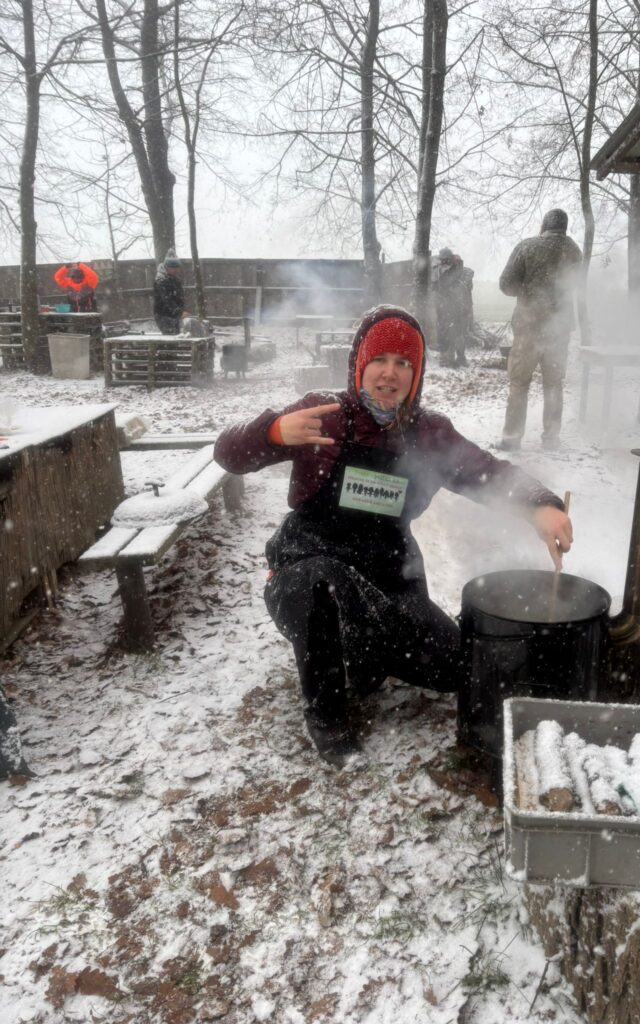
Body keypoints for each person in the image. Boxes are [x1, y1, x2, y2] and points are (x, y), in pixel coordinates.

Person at [214, 305, 573, 769]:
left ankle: (364, 653)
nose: (390, 373)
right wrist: (273, 432)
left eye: (403, 362)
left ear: (416, 374)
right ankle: (327, 717)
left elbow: (487, 472)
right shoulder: (324, 414)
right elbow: (228, 453)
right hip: (306, 566)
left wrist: (539, 505)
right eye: (379, 360)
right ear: (359, 365)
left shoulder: (428, 434)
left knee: (455, 668)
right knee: (322, 584)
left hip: (389, 576)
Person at [498, 209, 582, 452]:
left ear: (544, 224)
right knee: (554, 384)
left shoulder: (527, 247)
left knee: (519, 384)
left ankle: (511, 438)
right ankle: (551, 438)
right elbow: (578, 285)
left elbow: (506, 284)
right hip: (559, 329)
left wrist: (528, 289)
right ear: (564, 226)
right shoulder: (574, 251)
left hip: (529, 327)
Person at [434, 248, 474, 367]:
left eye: (444, 260)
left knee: (458, 333)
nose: (442, 263)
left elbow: (461, 290)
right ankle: (448, 359)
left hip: (459, 308)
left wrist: (443, 288)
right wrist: (437, 286)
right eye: (441, 260)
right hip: (446, 308)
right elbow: (441, 287)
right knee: (446, 333)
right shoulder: (444, 271)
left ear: (450, 260)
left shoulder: (463, 272)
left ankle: (460, 358)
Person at [153, 249, 187, 334]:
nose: (176, 270)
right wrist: (179, 312)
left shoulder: (174, 280)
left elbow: (179, 297)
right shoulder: (161, 281)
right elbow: (167, 300)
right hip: (163, 315)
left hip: (173, 315)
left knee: (176, 335)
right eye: (173, 268)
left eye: (177, 268)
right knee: (171, 336)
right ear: (167, 267)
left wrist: (181, 309)